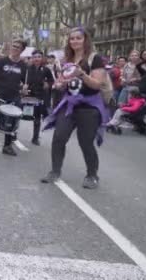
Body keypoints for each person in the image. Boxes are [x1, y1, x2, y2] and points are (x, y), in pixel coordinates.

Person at [41, 27, 110, 189]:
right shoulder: (67, 60)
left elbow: (97, 84)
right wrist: (59, 84)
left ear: (85, 40)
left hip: (89, 107)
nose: (74, 41)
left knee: (85, 142)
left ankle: (92, 175)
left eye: (78, 38)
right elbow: (60, 83)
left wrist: (82, 74)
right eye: (72, 39)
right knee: (59, 137)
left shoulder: (95, 59)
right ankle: (55, 171)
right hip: (69, 104)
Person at [25, 50, 54, 145]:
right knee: (21, 115)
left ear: (42, 58)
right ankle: (13, 135)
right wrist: (23, 86)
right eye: (35, 57)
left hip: (40, 96)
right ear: (32, 58)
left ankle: (35, 138)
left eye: (39, 57)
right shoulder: (27, 69)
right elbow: (21, 80)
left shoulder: (46, 70)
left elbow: (51, 81)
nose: (37, 59)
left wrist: (48, 84)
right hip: (28, 96)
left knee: (37, 118)